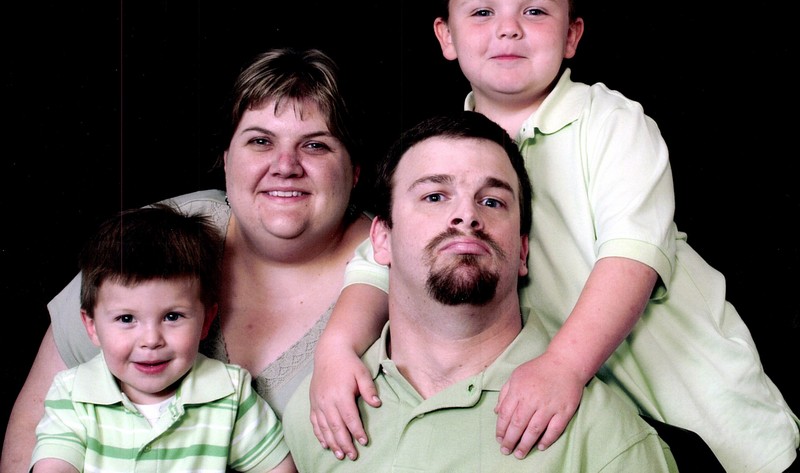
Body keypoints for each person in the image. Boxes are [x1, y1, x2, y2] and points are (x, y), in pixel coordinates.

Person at [307, 0, 800, 472]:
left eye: (535, 12)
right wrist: (335, 349)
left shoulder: (610, 122)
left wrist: (563, 365)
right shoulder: (447, 151)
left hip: (702, 410)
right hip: (581, 424)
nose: (508, 30)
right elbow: (378, 263)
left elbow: (632, 258)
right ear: (446, 36)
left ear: (572, 35)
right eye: (482, 13)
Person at [1, 47, 373, 473]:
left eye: (315, 145)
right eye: (260, 141)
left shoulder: (390, 264)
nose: (285, 166)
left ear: (354, 169)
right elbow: (36, 420)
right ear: (227, 159)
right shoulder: (166, 234)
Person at [284, 111, 679, 472]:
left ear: (522, 251)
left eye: (492, 201)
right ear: (381, 240)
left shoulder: (607, 442)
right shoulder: (318, 411)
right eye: (434, 196)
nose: (467, 215)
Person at [30, 204, 295, 472]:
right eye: (126, 319)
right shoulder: (73, 394)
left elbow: (278, 468)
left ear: (206, 321)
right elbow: (53, 466)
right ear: (92, 327)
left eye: (172, 316)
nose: (151, 340)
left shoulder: (229, 391)